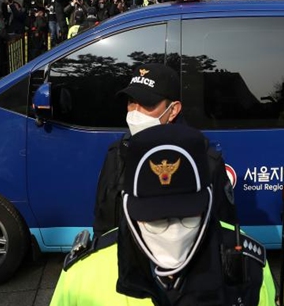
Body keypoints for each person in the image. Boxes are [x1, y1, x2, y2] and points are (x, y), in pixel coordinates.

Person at [44, 123, 284, 306]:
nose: (174, 232)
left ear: (209, 203)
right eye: (156, 220)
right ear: (128, 209)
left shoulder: (247, 269)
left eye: (188, 217)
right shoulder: (82, 277)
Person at [93, 63, 236, 239]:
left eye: (147, 104)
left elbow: (225, 231)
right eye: (131, 102)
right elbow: (103, 224)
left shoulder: (205, 161)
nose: (135, 112)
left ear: (173, 110)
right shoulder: (117, 154)